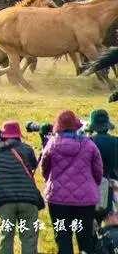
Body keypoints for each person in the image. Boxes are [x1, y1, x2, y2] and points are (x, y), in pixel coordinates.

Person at [40, 109, 103, 254]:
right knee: (85, 238)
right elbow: (98, 170)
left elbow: (44, 167)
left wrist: (48, 180)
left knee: (63, 237)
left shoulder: (52, 144)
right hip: (86, 200)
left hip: (57, 199)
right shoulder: (89, 144)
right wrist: (94, 185)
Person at [0, 122, 43, 254]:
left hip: (4, 200)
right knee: (29, 238)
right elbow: (33, 167)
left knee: (5, 237)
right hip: (28, 200)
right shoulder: (27, 149)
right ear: (19, 135)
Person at [87, 109, 118, 218]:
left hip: (93, 186)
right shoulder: (116, 141)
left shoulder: (89, 142)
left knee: (94, 222)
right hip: (114, 186)